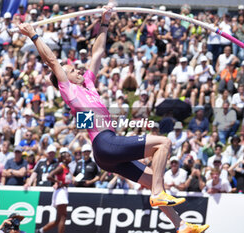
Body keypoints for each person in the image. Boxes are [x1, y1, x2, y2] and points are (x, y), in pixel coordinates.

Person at [17, 5, 208, 232]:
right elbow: (52, 62)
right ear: (63, 79)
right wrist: (33, 35)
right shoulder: (68, 90)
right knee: (163, 143)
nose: (78, 70)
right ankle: (158, 194)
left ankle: (181, 224)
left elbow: (97, 52)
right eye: (72, 70)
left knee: (151, 178)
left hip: (105, 154)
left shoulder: (87, 84)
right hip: (105, 143)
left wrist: (105, 21)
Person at [36, 149, 72, 233]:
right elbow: (49, 176)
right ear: (63, 159)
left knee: (58, 219)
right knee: (63, 217)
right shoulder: (61, 167)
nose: (70, 158)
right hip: (60, 192)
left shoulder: (67, 167)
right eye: (68, 156)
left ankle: (40, 231)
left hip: (64, 191)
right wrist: (57, 182)